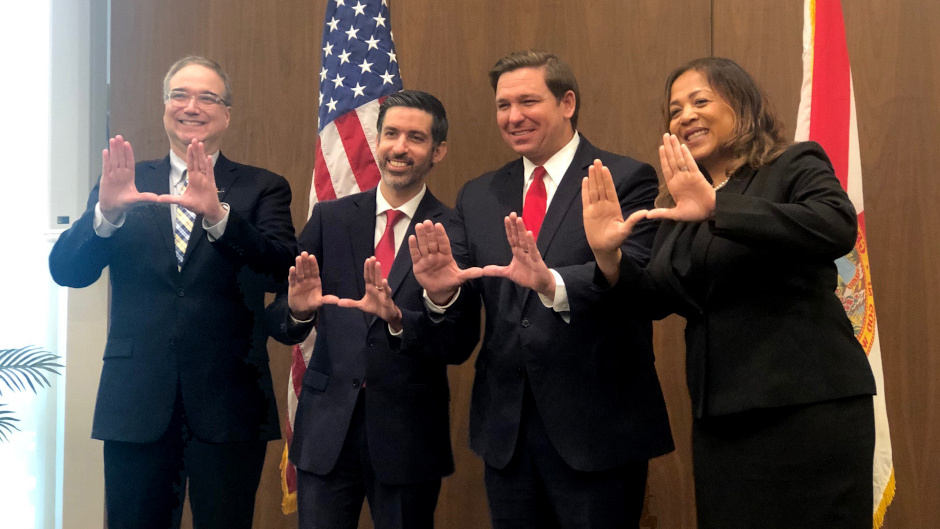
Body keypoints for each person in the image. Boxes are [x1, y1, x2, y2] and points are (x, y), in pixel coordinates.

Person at [582, 57, 877, 528]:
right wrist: (607, 257)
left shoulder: (792, 164)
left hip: (807, 408)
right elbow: (657, 298)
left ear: (743, 106)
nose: (686, 116)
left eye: (701, 101)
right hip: (721, 419)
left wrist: (718, 207)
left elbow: (835, 225)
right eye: (675, 110)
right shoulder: (679, 206)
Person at [408, 50, 673, 528]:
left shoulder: (622, 179)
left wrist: (552, 283)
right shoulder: (479, 193)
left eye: (527, 101)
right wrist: (442, 293)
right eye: (503, 105)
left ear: (567, 102)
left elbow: (639, 282)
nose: (513, 117)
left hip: (598, 431)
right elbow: (464, 298)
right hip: (506, 434)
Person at [48, 56, 296, 528]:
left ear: (227, 114)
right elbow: (67, 271)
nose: (192, 106)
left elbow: (281, 268)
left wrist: (220, 219)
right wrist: (105, 217)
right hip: (135, 400)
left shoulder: (262, 188)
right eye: (180, 95)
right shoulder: (124, 182)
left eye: (208, 97)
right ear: (165, 107)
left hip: (229, 401)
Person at [265, 90, 479, 529]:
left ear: (438, 150)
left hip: (409, 437)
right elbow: (280, 320)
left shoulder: (453, 229)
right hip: (326, 434)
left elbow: (459, 342)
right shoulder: (331, 218)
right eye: (391, 134)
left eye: (415, 138)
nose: (399, 147)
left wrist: (403, 321)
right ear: (377, 141)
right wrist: (300, 313)